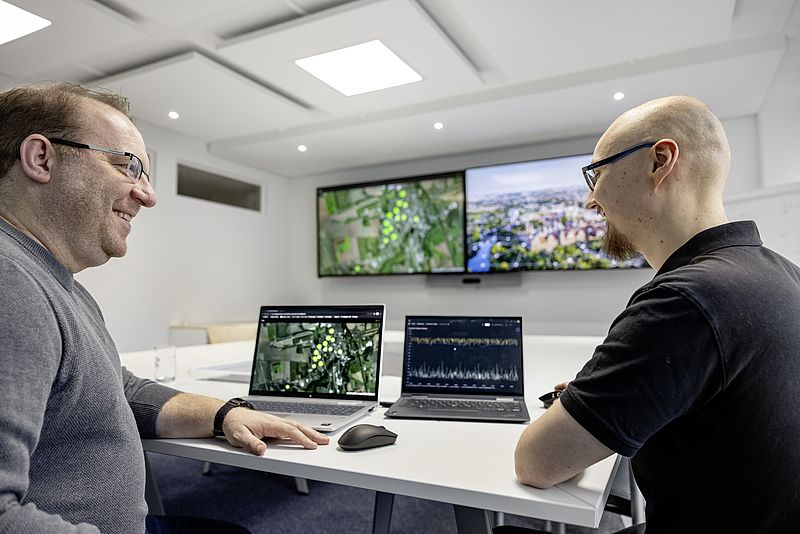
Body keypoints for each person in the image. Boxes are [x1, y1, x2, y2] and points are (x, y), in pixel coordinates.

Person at [0, 82, 329, 534]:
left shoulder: (59, 285)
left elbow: (121, 390)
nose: (148, 196)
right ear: (41, 158)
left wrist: (224, 414)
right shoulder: (11, 283)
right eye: (128, 166)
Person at [509, 96, 800, 533]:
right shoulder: (784, 274)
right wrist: (625, 393)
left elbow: (536, 463)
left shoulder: (685, 301)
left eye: (598, 173)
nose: (591, 201)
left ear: (659, 161)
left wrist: (576, 411)